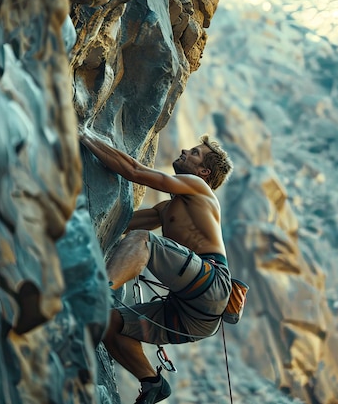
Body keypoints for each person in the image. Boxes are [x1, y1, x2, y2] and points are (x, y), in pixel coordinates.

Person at [79, 129, 234, 404]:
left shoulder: (199, 189)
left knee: (143, 240)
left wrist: (85, 135)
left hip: (212, 284)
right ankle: (153, 383)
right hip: (196, 316)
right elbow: (119, 222)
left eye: (195, 153)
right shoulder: (166, 210)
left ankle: (98, 292)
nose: (186, 151)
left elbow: (135, 171)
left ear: (204, 173)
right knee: (109, 323)